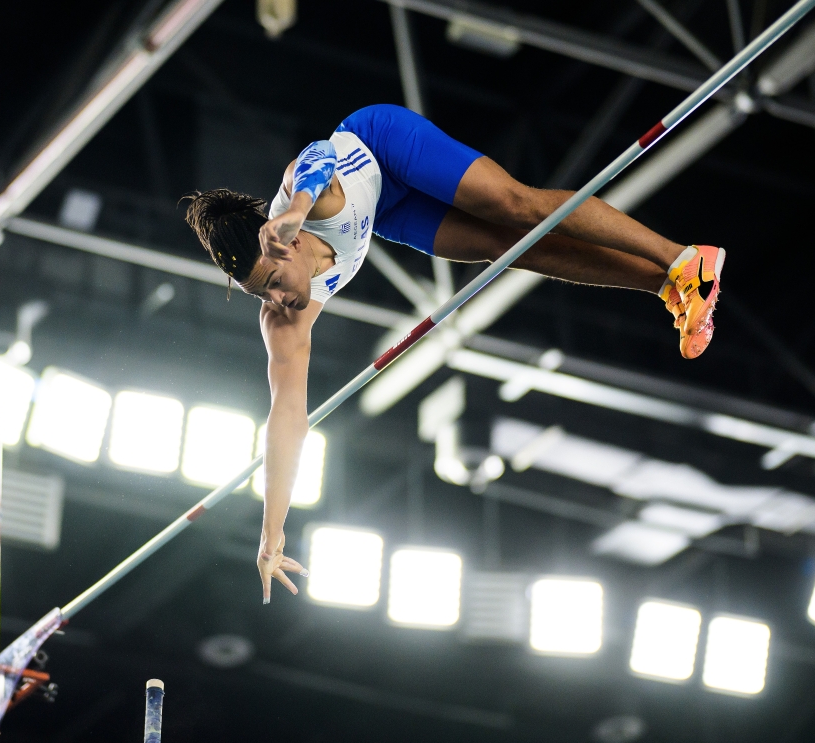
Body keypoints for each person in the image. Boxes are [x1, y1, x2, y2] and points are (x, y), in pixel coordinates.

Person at [182, 104, 723, 604]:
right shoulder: (283, 319)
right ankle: (663, 285)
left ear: (291, 244)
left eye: (275, 281)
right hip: (386, 207)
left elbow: (319, 155)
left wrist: (298, 207)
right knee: (504, 248)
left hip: (381, 143)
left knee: (517, 206)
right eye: (262, 295)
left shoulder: (302, 206)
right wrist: (271, 532)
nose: (279, 299)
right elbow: (287, 419)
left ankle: (684, 257)